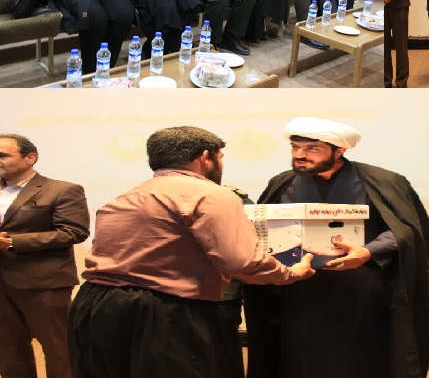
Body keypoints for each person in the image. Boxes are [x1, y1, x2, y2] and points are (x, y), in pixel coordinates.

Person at [67, 126, 315, 378]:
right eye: (220, 157)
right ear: (206, 157)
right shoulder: (212, 195)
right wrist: (290, 273)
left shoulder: (126, 196)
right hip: (164, 311)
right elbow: (241, 262)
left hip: (94, 306)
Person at [244, 117, 429, 378]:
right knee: (300, 356)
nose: (300, 155)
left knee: (362, 356)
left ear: (340, 150)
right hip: (300, 291)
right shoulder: (282, 183)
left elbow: (407, 230)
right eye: (295, 147)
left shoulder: (383, 181)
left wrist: (369, 251)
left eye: (312, 149)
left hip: (362, 288)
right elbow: (264, 229)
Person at [0, 133, 89, 378]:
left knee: (59, 349)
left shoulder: (62, 190)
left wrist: (11, 242)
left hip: (43, 283)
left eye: (3, 155)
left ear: (30, 157)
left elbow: (73, 232)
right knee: (8, 349)